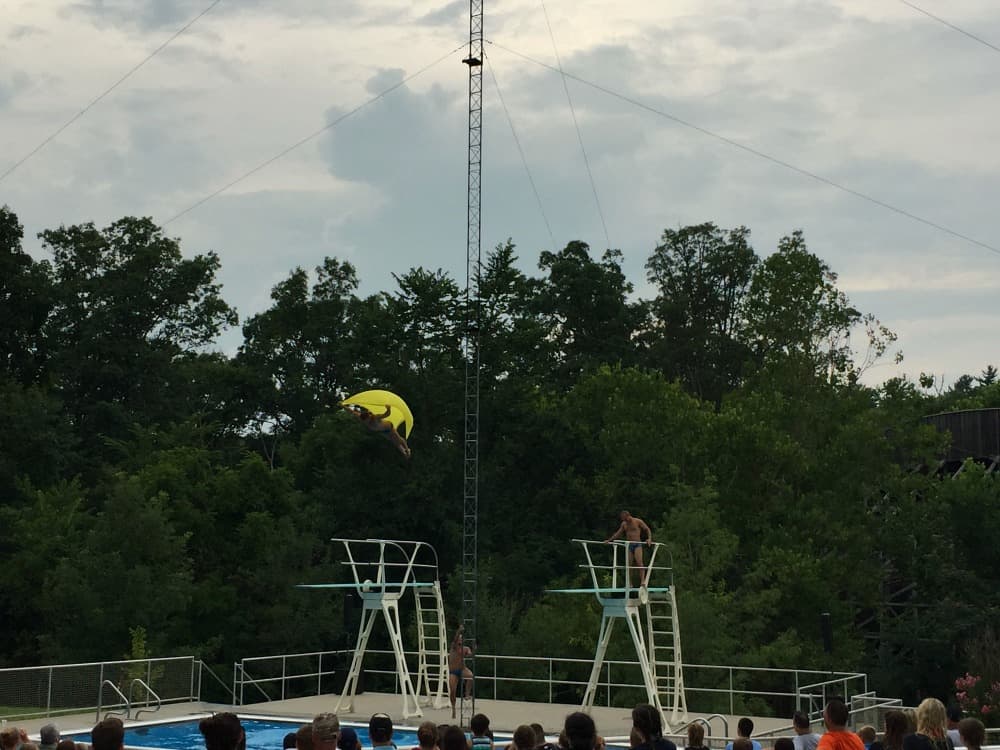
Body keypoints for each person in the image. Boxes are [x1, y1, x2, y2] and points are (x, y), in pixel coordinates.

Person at [343, 404, 411, 458]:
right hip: (381, 431)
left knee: (398, 439)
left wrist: (388, 408)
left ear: (369, 417)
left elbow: (387, 414)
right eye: (366, 421)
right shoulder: (361, 417)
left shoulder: (375, 417)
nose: (367, 422)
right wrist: (343, 405)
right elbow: (351, 411)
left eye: (368, 420)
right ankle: (404, 452)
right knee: (394, 442)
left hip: (389, 428)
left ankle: (407, 450)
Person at [605, 511, 653, 587]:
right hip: (629, 545)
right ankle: (630, 583)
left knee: (639, 563)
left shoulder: (637, 521)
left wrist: (649, 539)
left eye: (626, 519)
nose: (625, 521)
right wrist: (609, 540)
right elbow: (618, 533)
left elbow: (647, 529)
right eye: (624, 520)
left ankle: (642, 582)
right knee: (629, 565)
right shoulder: (624, 524)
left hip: (637, 544)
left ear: (628, 516)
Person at [448, 624, 474, 718]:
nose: (460, 640)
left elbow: (470, 655)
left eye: (461, 639)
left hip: (462, 669)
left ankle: (467, 694)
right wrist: (459, 630)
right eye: (459, 638)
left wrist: (472, 651)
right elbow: (455, 639)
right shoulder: (454, 646)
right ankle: (453, 708)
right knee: (452, 691)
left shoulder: (465, 648)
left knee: (471, 676)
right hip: (453, 671)